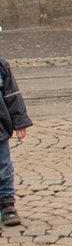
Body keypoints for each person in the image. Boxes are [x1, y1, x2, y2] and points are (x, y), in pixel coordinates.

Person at [0, 57, 32, 226]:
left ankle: (6, 202)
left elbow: (12, 94)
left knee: (3, 166)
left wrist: (20, 121)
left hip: (0, 129)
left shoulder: (1, 65)